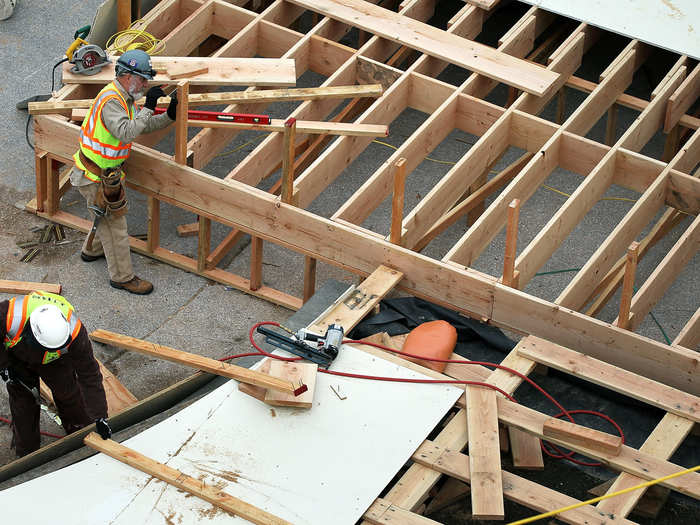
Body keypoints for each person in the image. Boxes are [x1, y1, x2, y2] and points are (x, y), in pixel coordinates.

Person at [69, 48, 178, 295]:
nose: (146, 84)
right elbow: (126, 132)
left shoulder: (123, 98)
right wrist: (150, 105)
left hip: (101, 174)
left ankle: (91, 250)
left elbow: (140, 124)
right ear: (127, 76)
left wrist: (168, 116)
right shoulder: (112, 101)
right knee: (115, 226)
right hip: (95, 175)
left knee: (104, 216)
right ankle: (122, 277)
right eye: (143, 79)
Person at [1, 291, 111, 457]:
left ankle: (81, 434)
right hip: (18, 355)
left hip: (54, 360)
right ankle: (27, 454)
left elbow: (90, 376)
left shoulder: (75, 334)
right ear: (30, 332)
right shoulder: (8, 316)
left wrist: (100, 416)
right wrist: (3, 364)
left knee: (68, 393)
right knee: (23, 403)